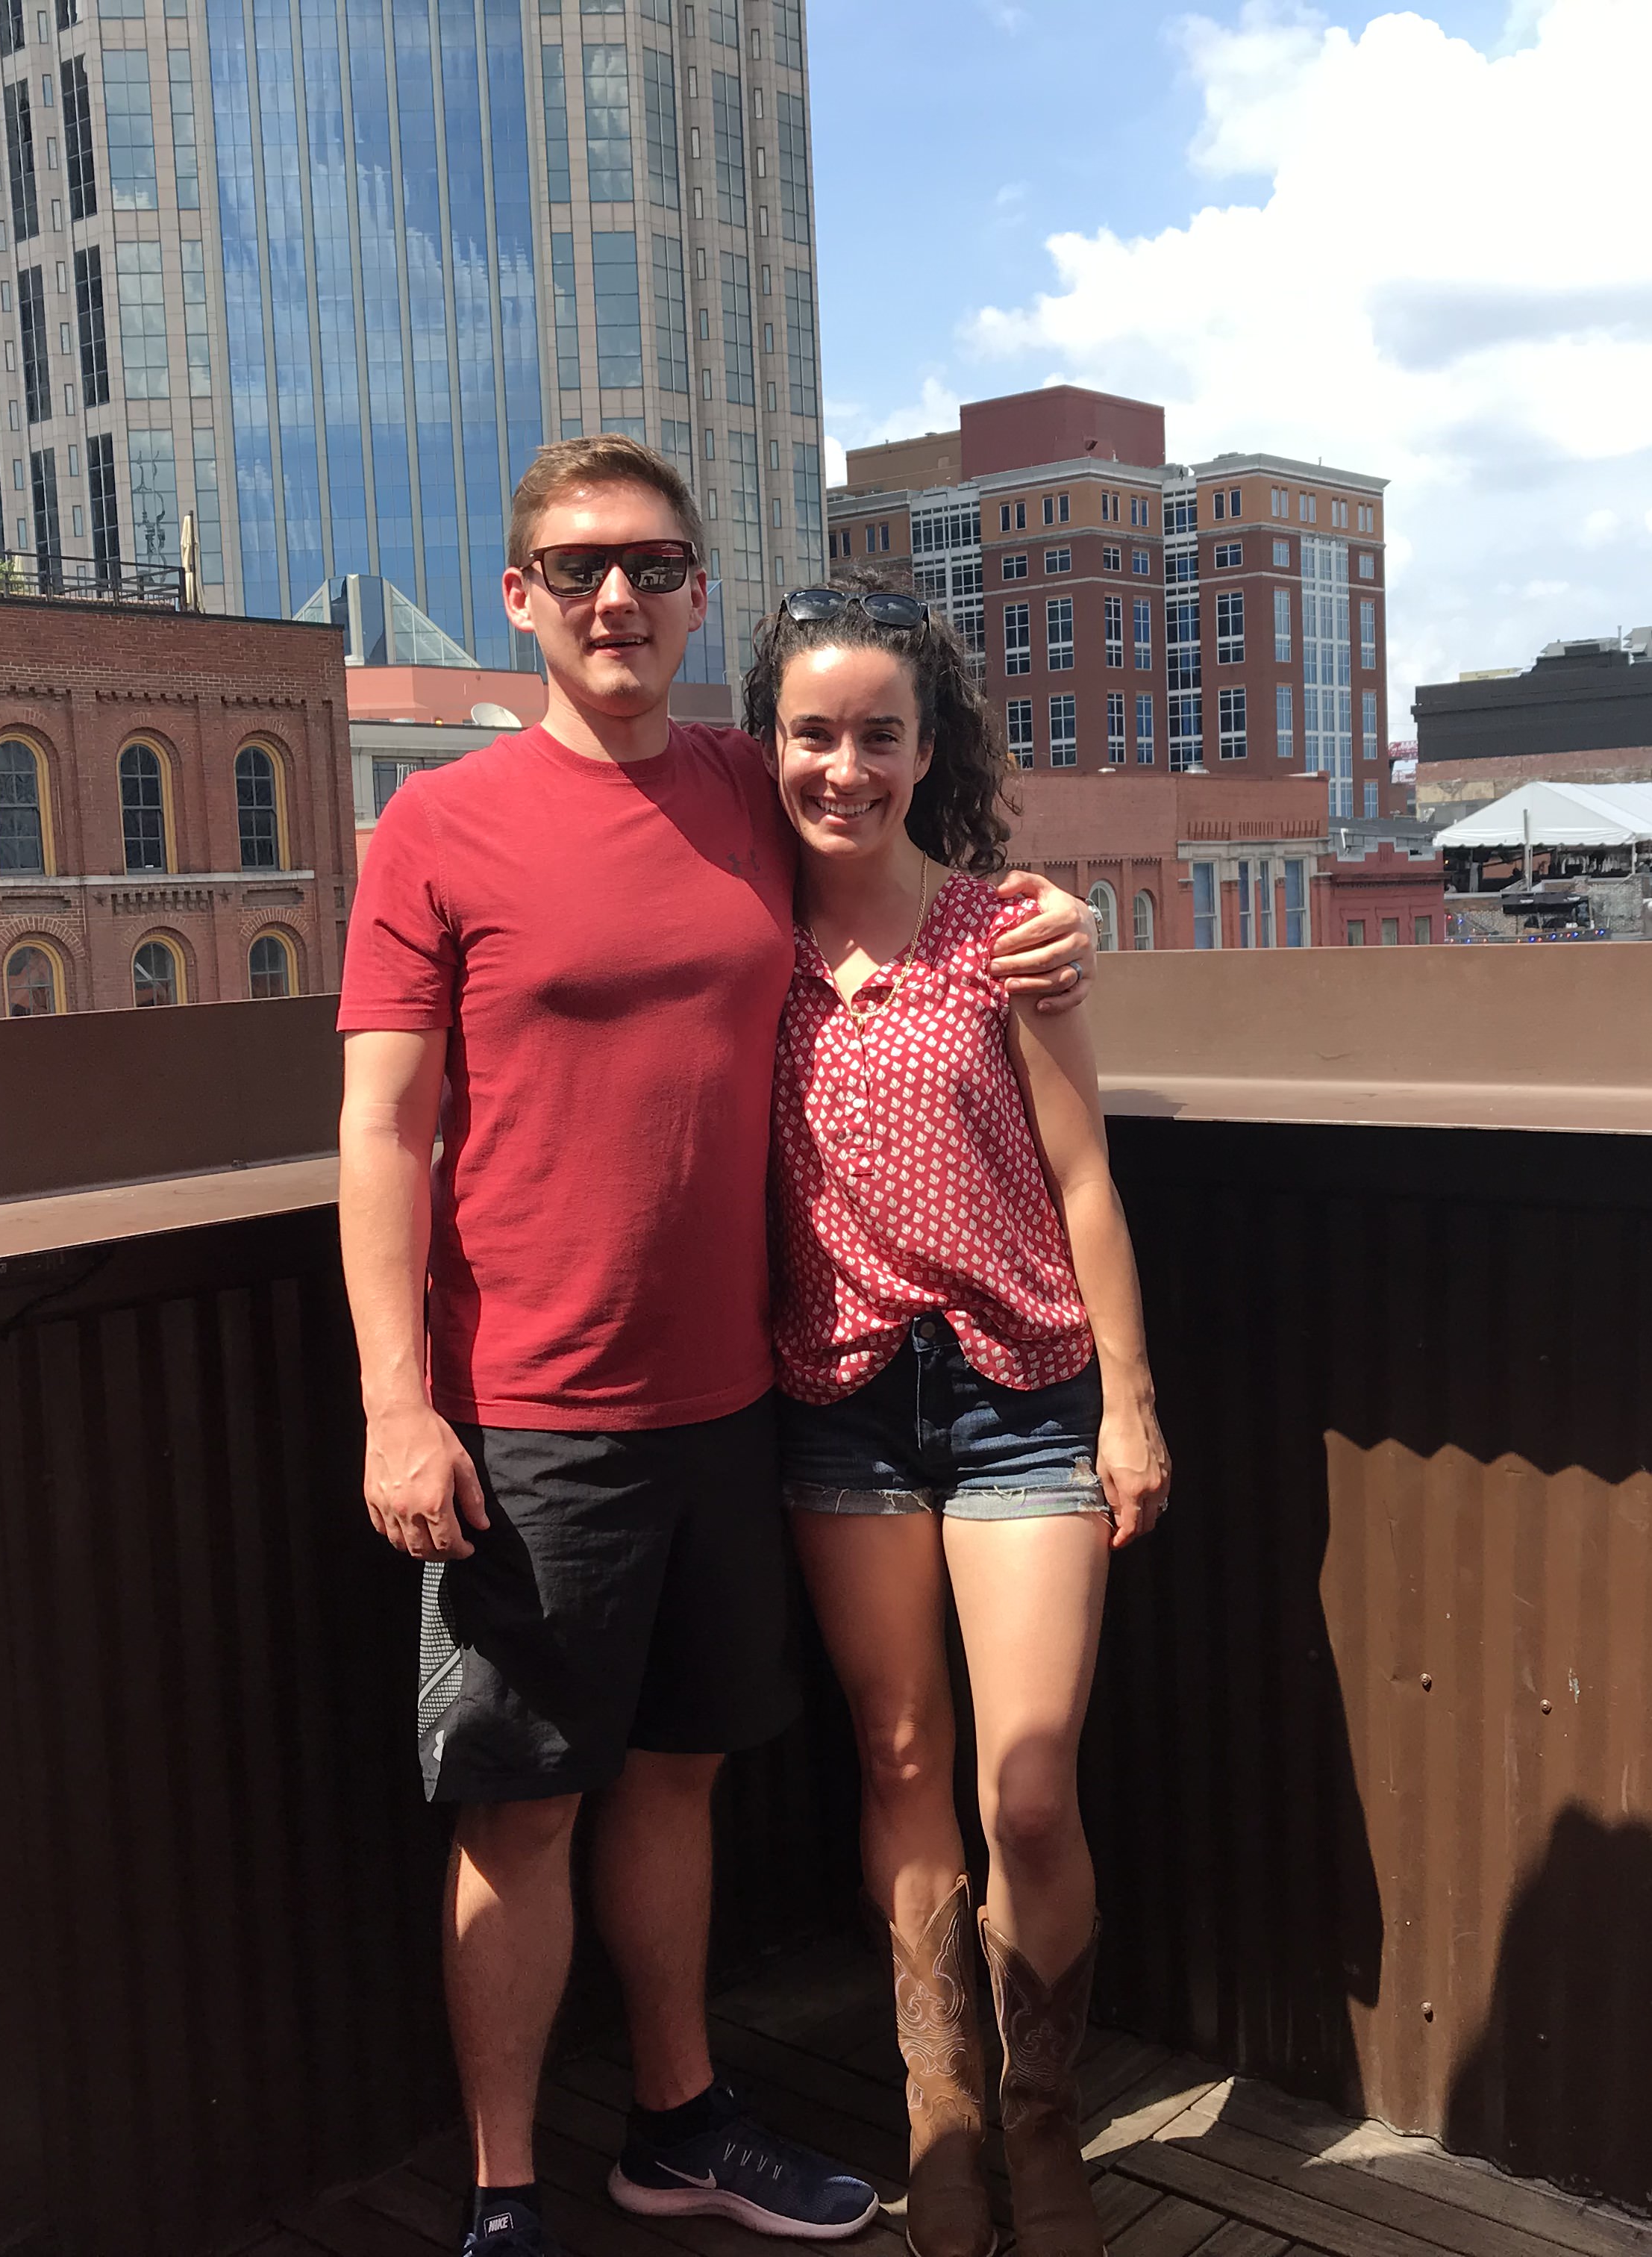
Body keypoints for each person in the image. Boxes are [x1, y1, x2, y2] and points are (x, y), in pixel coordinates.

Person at [334, 437, 1098, 2257]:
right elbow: (381, 1128)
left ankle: (676, 2122)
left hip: (749, 1401)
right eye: (578, 567)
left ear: (696, 596)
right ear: (521, 596)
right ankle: (503, 2193)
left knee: (678, 1774)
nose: (617, 597)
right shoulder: (437, 826)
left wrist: (1055, 917)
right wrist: (395, 1405)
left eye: (653, 566)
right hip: (527, 1411)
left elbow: (900, 835)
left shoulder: (751, 784)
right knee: (521, 1809)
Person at [745, 586, 1173, 2257]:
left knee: (1031, 1787)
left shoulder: (1009, 934)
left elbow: (1084, 1173)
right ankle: (944, 2119)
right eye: (812, 734)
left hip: (1021, 1392)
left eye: (879, 734)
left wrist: (1129, 1404)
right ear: (769, 746)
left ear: (931, 750)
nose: (844, 767)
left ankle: (1044, 2120)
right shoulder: (738, 944)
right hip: (837, 1403)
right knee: (902, 1758)